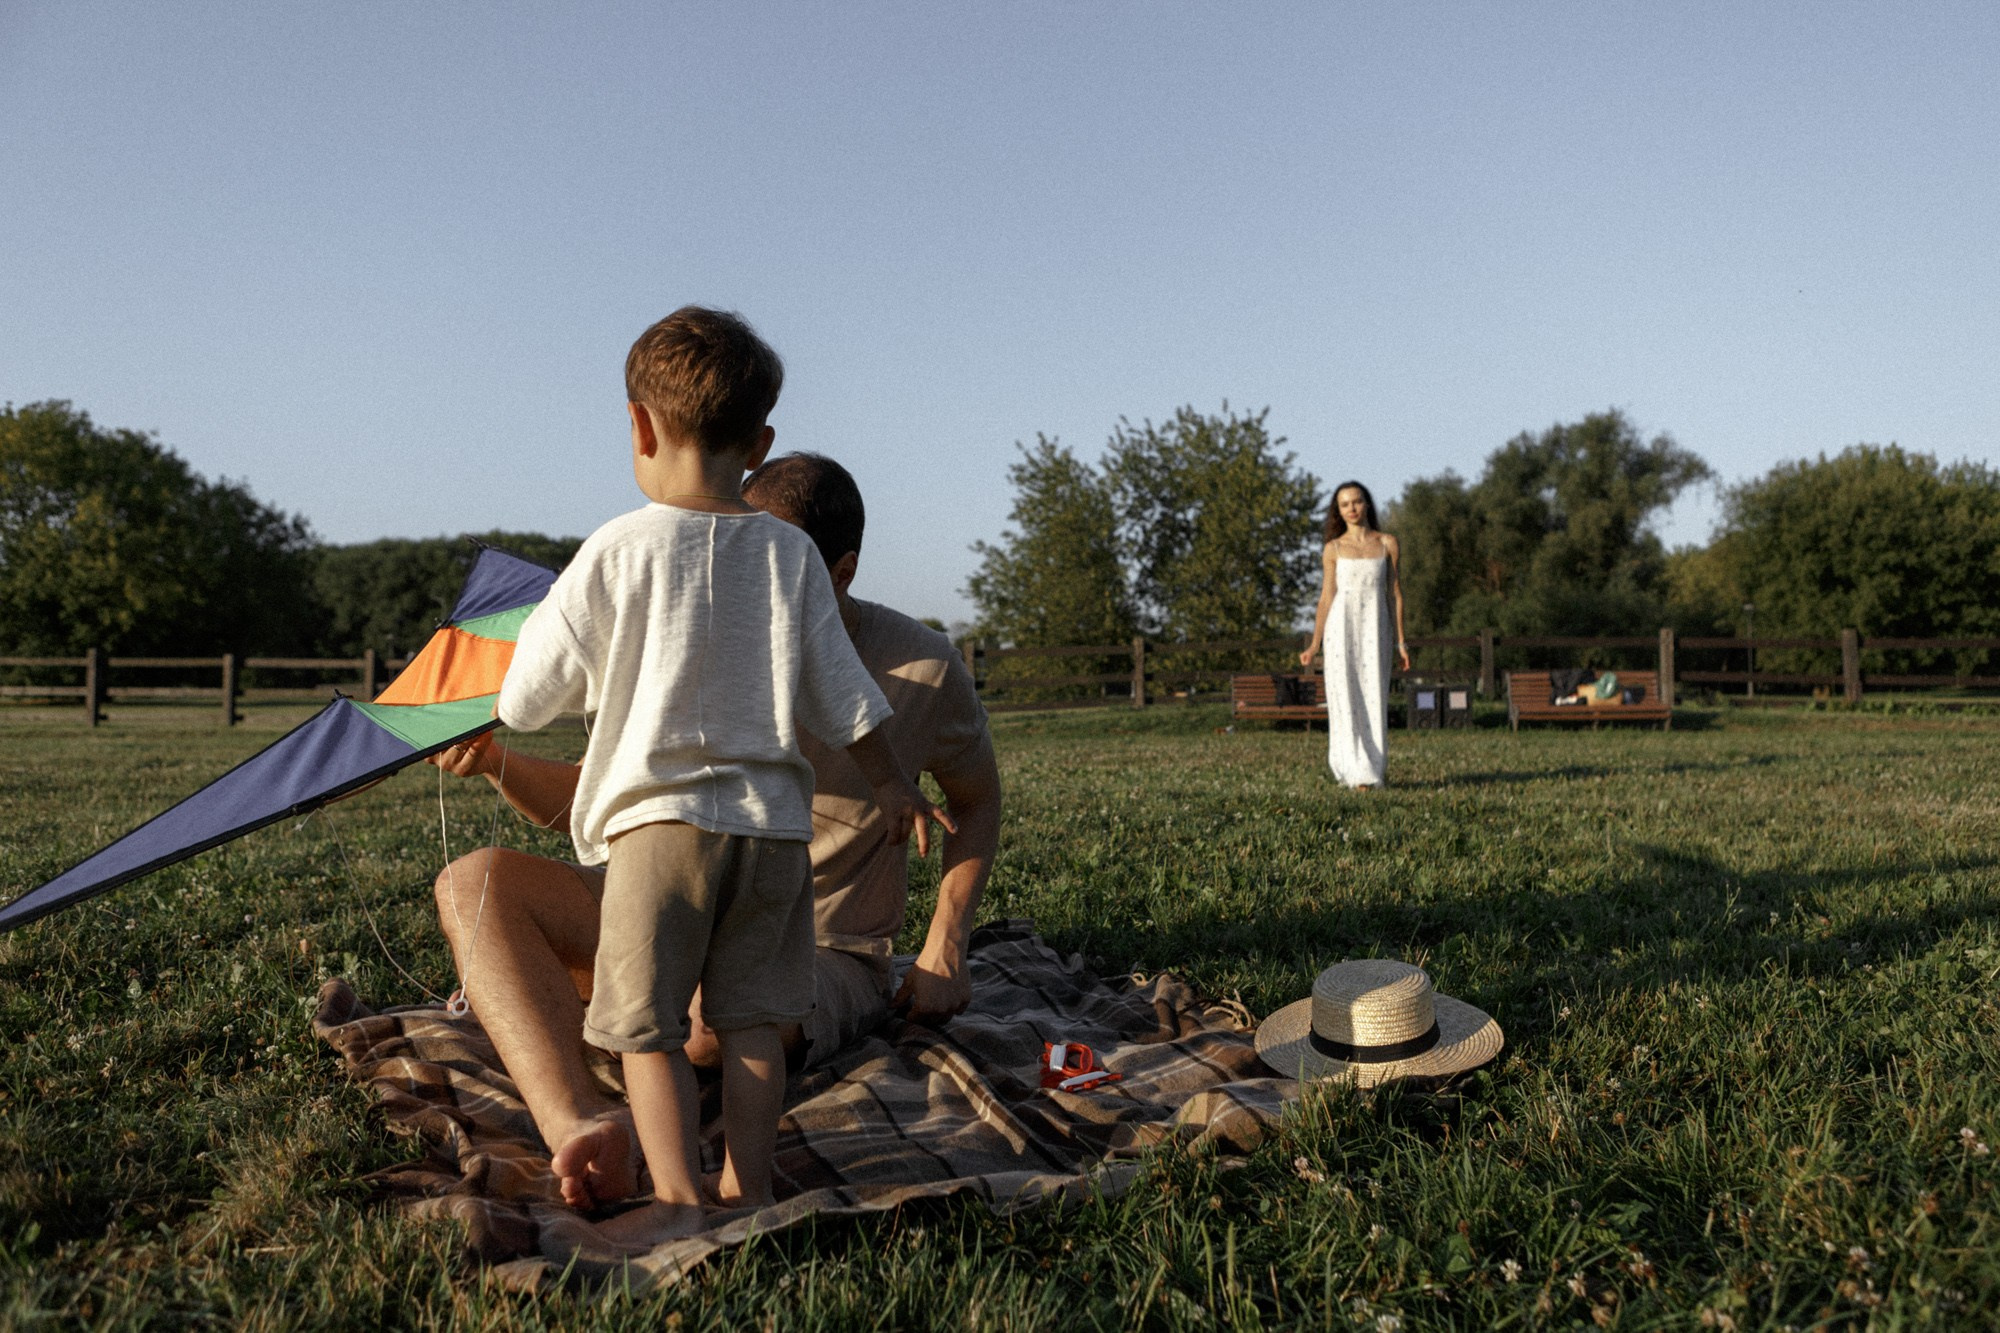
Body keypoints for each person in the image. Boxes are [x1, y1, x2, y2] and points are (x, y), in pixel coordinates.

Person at [429, 450, 1002, 1224]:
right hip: (664, 883)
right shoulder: (690, 624)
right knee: (473, 885)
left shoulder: (923, 668)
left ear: (838, 572)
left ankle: (612, 1031)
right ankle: (581, 1123)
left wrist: (946, 941)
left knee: (704, 1020)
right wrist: (497, 761)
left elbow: (978, 800)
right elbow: (615, 799)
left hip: (818, 941)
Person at [492, 307, 950, 1240]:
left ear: (639, 426)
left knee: (644, 1027)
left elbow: (524, 702)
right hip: (772, 836)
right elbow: (846, 693)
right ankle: (754, 1185)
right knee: (750, 1022)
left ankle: (678, 1195)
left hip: (659, 836)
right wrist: (896, 785)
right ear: (761, 442)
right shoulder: (791, 555)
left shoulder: (614, 549)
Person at [1299, 480, 1408, 789]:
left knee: (1373, 694)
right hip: (1340, 630)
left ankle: (1373, 769)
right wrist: (1314, 643)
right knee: (1344, 696)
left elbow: (1394, 594)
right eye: (1345, 504)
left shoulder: (1387, 543)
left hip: (1376, 629)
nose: (1352, 509)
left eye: (1356, 502)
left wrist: (1402, 642)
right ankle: (1353, 770)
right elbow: (1326, 597)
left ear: (1367, 503)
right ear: (1338, 510)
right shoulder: (1333, 549)